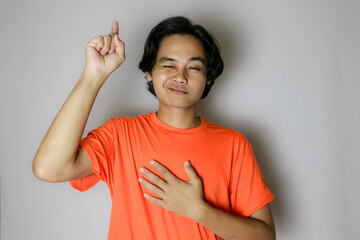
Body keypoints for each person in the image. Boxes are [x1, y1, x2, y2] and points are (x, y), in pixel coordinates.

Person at [33, 16, 276, 240]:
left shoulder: (233, 144)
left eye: (194, 67)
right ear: (149, 72)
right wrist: (94, 74)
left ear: (208, 78)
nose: (180, 77)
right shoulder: (120, 134)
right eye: (169, 65)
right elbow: (48, 168)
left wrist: (198, 211)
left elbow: (265, 236)